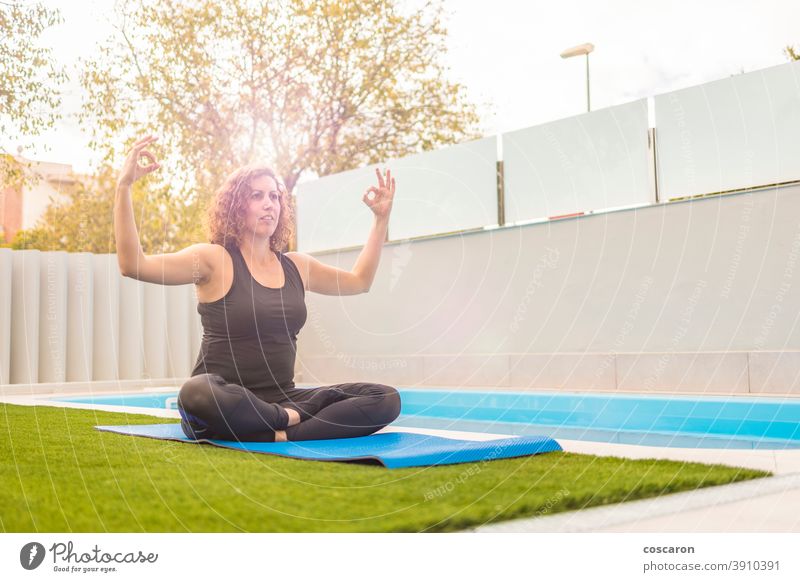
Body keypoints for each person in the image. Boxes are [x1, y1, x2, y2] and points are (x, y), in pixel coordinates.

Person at [114, 135, 401, 442]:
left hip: (284, 399)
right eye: (257, 196)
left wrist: (380, 220)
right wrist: (124, 187)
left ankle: (280, 433)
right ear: (236, 207)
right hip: (224, 401)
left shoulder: (297, 266)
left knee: (385, 398)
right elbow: (134, 265)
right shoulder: (214, 260)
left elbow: (359, 281)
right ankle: (288, 422)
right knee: (195, 393)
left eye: (275, 197)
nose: (269, 204)